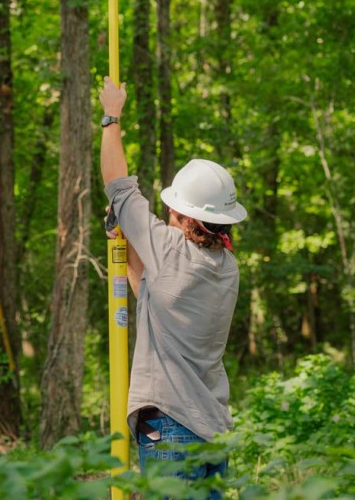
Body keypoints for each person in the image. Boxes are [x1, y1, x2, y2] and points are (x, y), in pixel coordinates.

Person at [99, 76, 245, 498]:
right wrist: (126, 249)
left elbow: (117, 183)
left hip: (170, 428)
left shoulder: (167, 248)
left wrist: (112, 115)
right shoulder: (226, 267)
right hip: (212, 432)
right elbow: (154, 294)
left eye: (170, 209)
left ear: (184, 216)